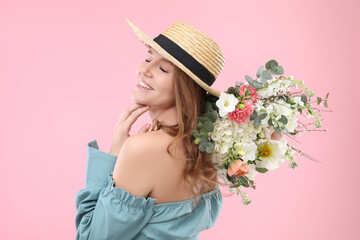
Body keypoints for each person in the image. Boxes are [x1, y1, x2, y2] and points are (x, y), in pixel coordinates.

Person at [75, 18, 226, 240]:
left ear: (185, 88)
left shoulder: (141, 148)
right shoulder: (207, 147)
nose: (144, 70)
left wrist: (115, 151)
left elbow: (91, 237)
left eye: (163, 68)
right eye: (147, 57)